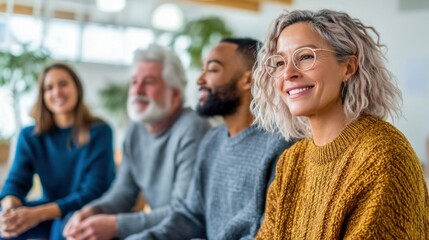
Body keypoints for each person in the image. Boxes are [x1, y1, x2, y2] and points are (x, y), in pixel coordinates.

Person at [251, 9, 429, 239]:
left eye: (305, 56)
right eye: (279, 62)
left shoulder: (383, 154)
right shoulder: (291, 162)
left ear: (348, 67)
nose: (288, 73)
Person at [127, 38, 294, 240]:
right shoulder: (212, 140)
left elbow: (268, 233)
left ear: (247, 80)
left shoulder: (281, 145)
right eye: (202, 69)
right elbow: (191, 216)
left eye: (213, 70)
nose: (200, 80)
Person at [63, 44, 211, 240]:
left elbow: (182, 213)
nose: (137, 90)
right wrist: (91, 211)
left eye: (148, 82)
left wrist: (115, 225)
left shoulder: (193, 127)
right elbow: (123, 192)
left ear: (175, 95)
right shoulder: (135, 129)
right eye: (134, 82)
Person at [0, 63, 115, 240]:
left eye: (63, 84)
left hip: (85, 211)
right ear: (42, 96)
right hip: (47, 208)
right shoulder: (30, 135)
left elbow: (93, 192)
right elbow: (16, 181)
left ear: (77, 88)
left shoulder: (100, 132)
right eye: (49, 88)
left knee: (64, 231)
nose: (57, 92)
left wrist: (37, 214)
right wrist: (9, 210)